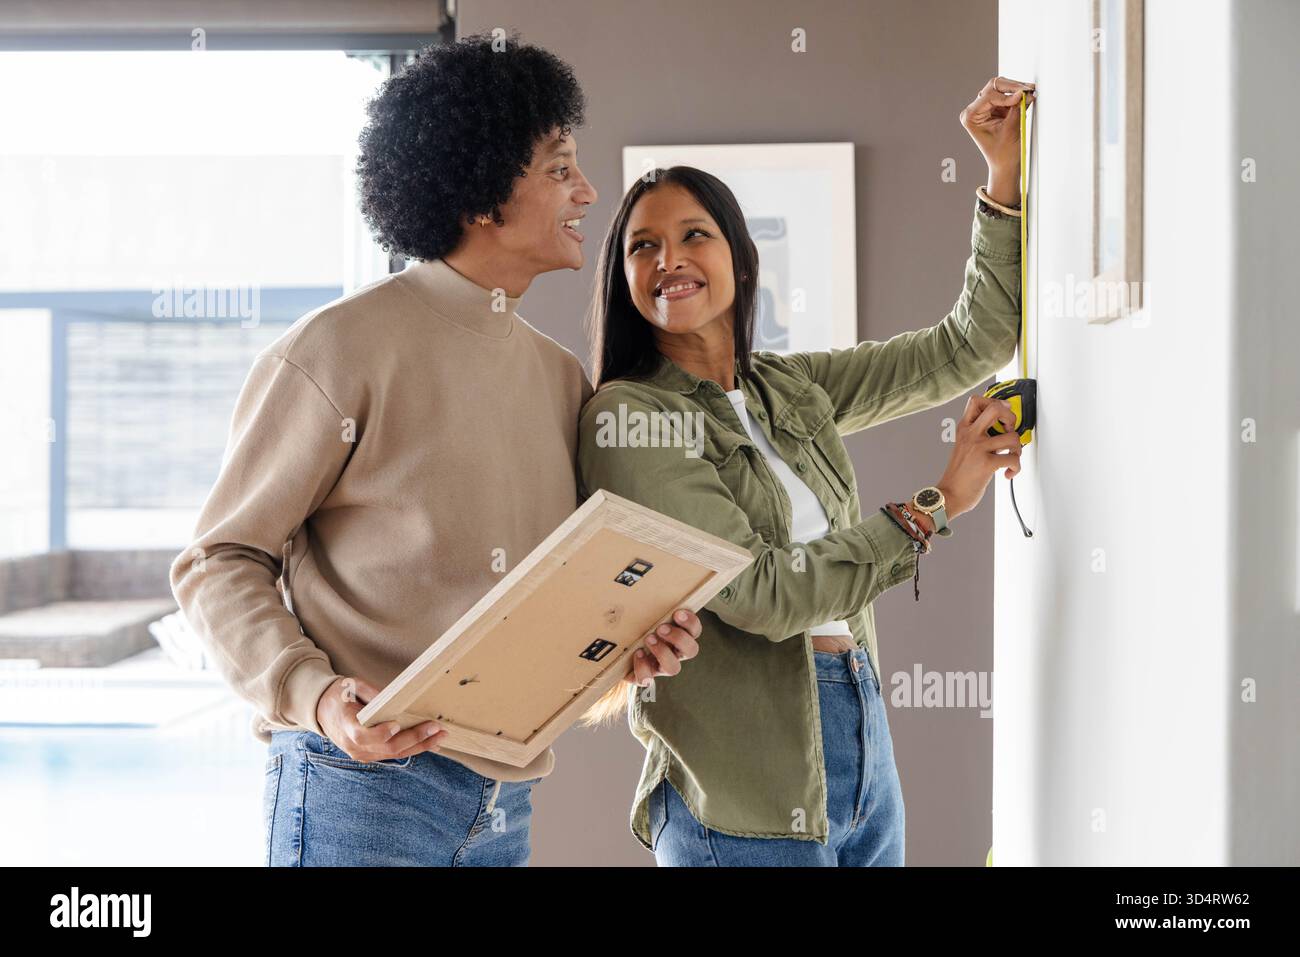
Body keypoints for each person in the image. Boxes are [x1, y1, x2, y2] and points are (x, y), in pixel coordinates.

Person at [169, 34, 702, 867]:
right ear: (483, 197)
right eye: (560, 168)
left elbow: (535, 612)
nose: (588, 191)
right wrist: (316, 695)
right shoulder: (338, 350)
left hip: (504, 803)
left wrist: (623, 653)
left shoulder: (560, 379)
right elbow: (217, 560)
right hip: (358, 790)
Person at [576, 77, 1036, 865]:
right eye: (642, 245)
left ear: (739, 260)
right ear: (622, 277)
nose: (669, 260)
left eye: (695, 236)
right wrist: (935, 504)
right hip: (741, 790)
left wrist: (1000, 176)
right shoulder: (629, 416)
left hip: (862, 738)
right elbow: (761, 595)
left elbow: (969, 344)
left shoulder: (788, 387)